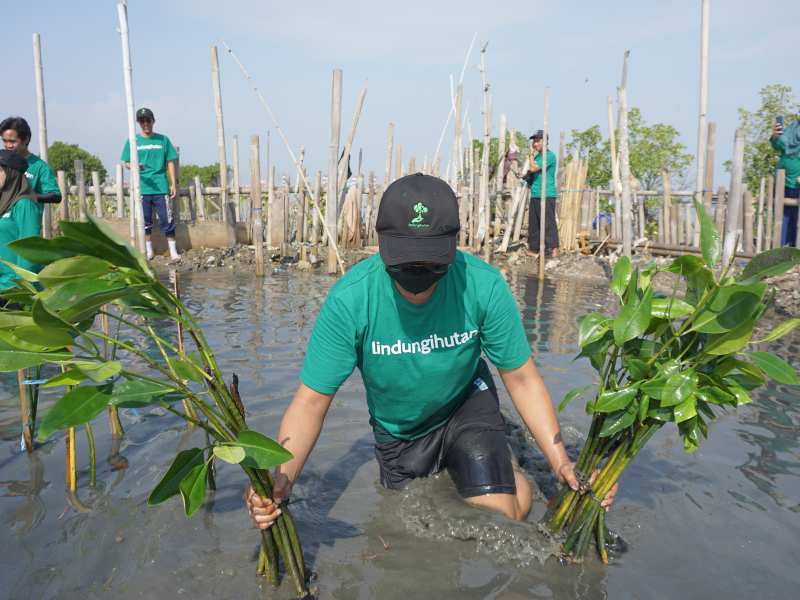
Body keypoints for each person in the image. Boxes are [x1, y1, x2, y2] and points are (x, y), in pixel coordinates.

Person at [245, 173, 617, 531]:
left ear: (453, 245)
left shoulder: (483, 285)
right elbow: (311, 402)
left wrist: (561, 465)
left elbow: (521, 378)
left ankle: (509, 467)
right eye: (407, 261)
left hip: (465, 404)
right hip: (400, 432)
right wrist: (279, 482)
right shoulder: (350, 300)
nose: (419, 273)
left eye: (431, 262)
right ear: (382, 245)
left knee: (499, 515)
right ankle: (494, 462)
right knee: (408, 526)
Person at [120, 108, 180, 261]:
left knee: (167, 219)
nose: (145, 123)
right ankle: (149, 251)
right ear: (139, 123)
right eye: (142, 121)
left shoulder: (163, 140)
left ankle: (173, 251)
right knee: (145, 220)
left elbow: (171, 161)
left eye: (148, 120)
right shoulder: (133, 141)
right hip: (142, 187)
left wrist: (173, 183)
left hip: (160, 186)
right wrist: (134, 165)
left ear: (153, 121)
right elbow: (125, 162)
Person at [0, 117, 62, 219]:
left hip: (24, 225)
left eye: (12, 141)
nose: (8, 145)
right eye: (5, 141)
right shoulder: (1, 160)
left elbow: (55, 196)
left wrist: (24, 196)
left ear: (26, 139)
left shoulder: (40, 167)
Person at [0, 150, 42, 291]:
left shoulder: (24, 205)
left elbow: (29, 251)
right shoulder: (3, 204)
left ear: (12, 174)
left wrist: (20, 289)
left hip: (13, 289)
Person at [525, 130, 559, 258]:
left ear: (545, 142)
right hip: (535, 193)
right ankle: (534, 249)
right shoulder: (538, 157)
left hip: (546, 194)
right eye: (534, 141)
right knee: (534, 223)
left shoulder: (549, 156)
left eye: (537, 141)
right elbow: (533, 173)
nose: (535, 144)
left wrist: (530, 157)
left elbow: (534, 168)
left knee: (548, 222)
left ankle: (554, 248)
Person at [770, 118, 800, 246]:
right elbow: (778, 144)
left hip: (796, 183)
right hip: (784, 181)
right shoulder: (793, 126)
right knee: (783, 217)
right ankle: (782, 249)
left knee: (793, 219)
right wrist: (775, 135)